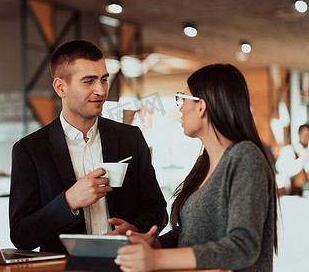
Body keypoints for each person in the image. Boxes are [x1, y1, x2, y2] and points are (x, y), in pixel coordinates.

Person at [9, 40, 168, 253]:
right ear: (60, 87)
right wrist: (68, 202)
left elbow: (157, 208)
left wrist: (135, 228)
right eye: (88, 81)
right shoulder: (29, 150)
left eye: (103, 79)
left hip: (127, 264)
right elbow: (21, 235)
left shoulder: (131, 138)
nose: (101, 90)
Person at [116, 64, 278, 271]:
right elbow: (189, 235)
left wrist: (157, 260)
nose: (180, 107)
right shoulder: (205, 163)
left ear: (201, 106)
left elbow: (243, 247)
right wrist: (155, 244)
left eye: (182, 99)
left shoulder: (245, 157)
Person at [276, 123, 309, 195]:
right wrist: (302, 160)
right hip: (292, 194)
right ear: (299, 134)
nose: (306, 138)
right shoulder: (288, 150)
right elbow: (283, 170)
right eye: (305, 135)